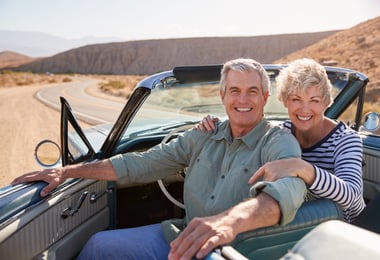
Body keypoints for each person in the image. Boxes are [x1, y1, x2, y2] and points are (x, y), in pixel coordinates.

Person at [11, 58, 306, 260]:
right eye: (235, 91)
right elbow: (142, 164)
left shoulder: (278, 141)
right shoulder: (203, 134)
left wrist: (226, 223)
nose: (243, 100)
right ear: (223, 95)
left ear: (266, 98)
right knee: (98, 246)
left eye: (252, 92)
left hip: (235, 249)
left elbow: (283, 195)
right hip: (182, 234)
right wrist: (69, 172)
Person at [197, 58, 365, 223]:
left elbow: (352, 197)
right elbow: (250, 127)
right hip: (299, 224)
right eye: (296, 99)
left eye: (314, 100)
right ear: (285, 101)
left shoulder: (346, 140)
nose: (305, 109)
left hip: (345, 227)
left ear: (326, 102)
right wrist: (214, 124)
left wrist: (303, 169)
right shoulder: (281, 133)